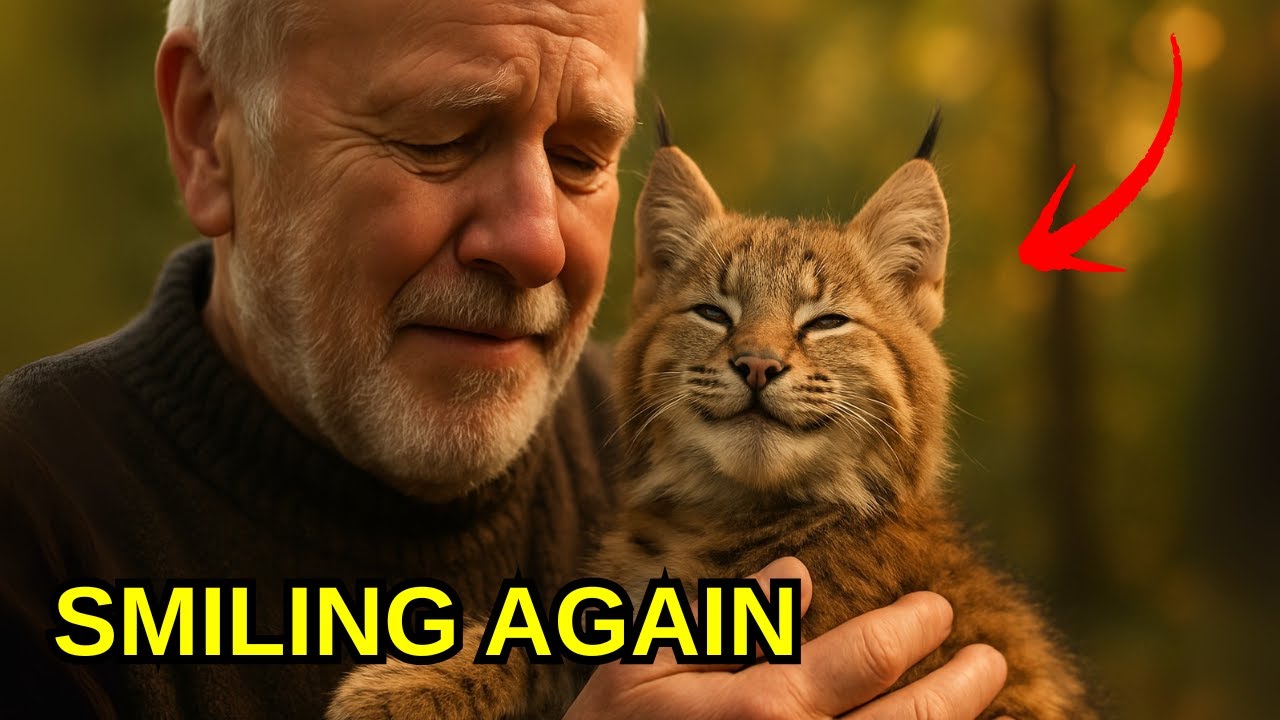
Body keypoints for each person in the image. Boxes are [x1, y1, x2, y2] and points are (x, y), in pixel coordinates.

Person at [0, 0, 1010, 717]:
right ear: (209, 136)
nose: (537, 241)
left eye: (579, 158)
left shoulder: (655, 439)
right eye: (439, 136)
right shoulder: (37, 522)